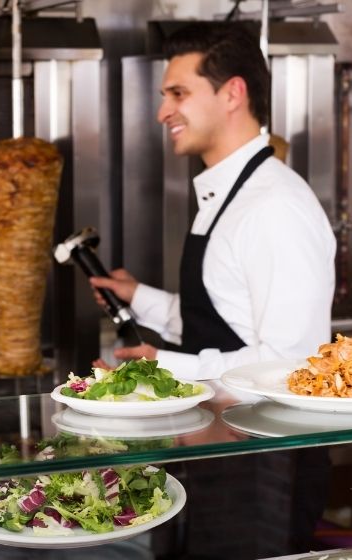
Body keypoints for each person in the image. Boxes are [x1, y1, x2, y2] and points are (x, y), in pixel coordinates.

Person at [91, 22, 336, 380]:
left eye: (178, 94)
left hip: (261, 432)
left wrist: (166, 364)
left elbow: (294, 363)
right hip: (227, 424)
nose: (162, 113)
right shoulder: (227, 194)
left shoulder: (274, 207)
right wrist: (138, 296)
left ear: (233, 94)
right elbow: (220, 321)